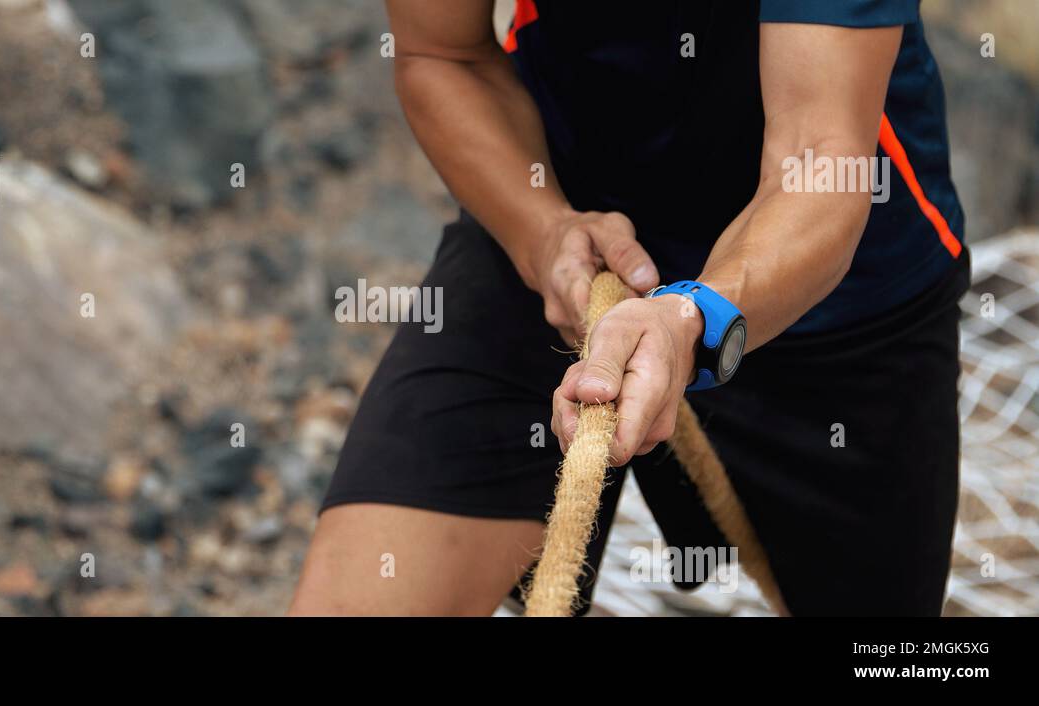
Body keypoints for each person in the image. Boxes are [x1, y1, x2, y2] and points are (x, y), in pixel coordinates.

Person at [290, 0, 969, 616]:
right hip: (565, 239)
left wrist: (690, 320)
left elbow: (817, 156)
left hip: (833, 293)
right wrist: (543, 231)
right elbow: (444, 54)